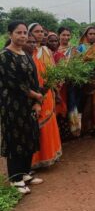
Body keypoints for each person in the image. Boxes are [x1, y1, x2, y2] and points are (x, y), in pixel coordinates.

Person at [0, 21, 43, 194]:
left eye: (25, 33)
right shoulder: (4, 56)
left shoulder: (25, 54)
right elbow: (14, 83)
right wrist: (36, 95)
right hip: (12, 104)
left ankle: (24, 173)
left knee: (28, 135)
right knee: (15, 138)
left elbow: (33, 79)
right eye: (19, 32)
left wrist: (37, 102)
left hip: (28, 103)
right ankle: (15, 179)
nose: (23, 36)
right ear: (10, 34)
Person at [28, 23, 62, 169]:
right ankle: (34, 160)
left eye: (42, 31)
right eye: (37, 31)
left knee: (48, 124)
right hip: (33, 93)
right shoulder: (28, 52)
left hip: (47, 92)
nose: (40, 34)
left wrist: (55, 90)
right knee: (35, 124)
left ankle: (49, 156)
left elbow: (53, 72)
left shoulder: (46, 51)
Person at [56, 27, 80, 138]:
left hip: (70, 82)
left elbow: (77, 64)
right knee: (60, 104)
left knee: (70, 104)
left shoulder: (73, 49)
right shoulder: (54, 49)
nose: (66, 37)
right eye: (63, 35)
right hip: (58, 83)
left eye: (68, 35)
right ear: (58, 35)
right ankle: (59, 132)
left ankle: (72, 130)